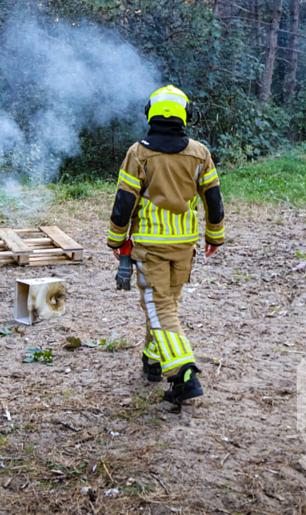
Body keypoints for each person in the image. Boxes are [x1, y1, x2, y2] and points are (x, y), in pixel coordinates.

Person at [107, 86, 225, 403]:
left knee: (160, 309)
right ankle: (152, 359)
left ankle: (183, 373)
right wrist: (214, 234)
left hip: (150, 247)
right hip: (184, 246)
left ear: (151, 114)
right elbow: (214, 199)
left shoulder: (139, 153)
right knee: (164, 305)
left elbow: (124, 202)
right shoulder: (200, 153)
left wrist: (116, 239)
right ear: (185, 115)